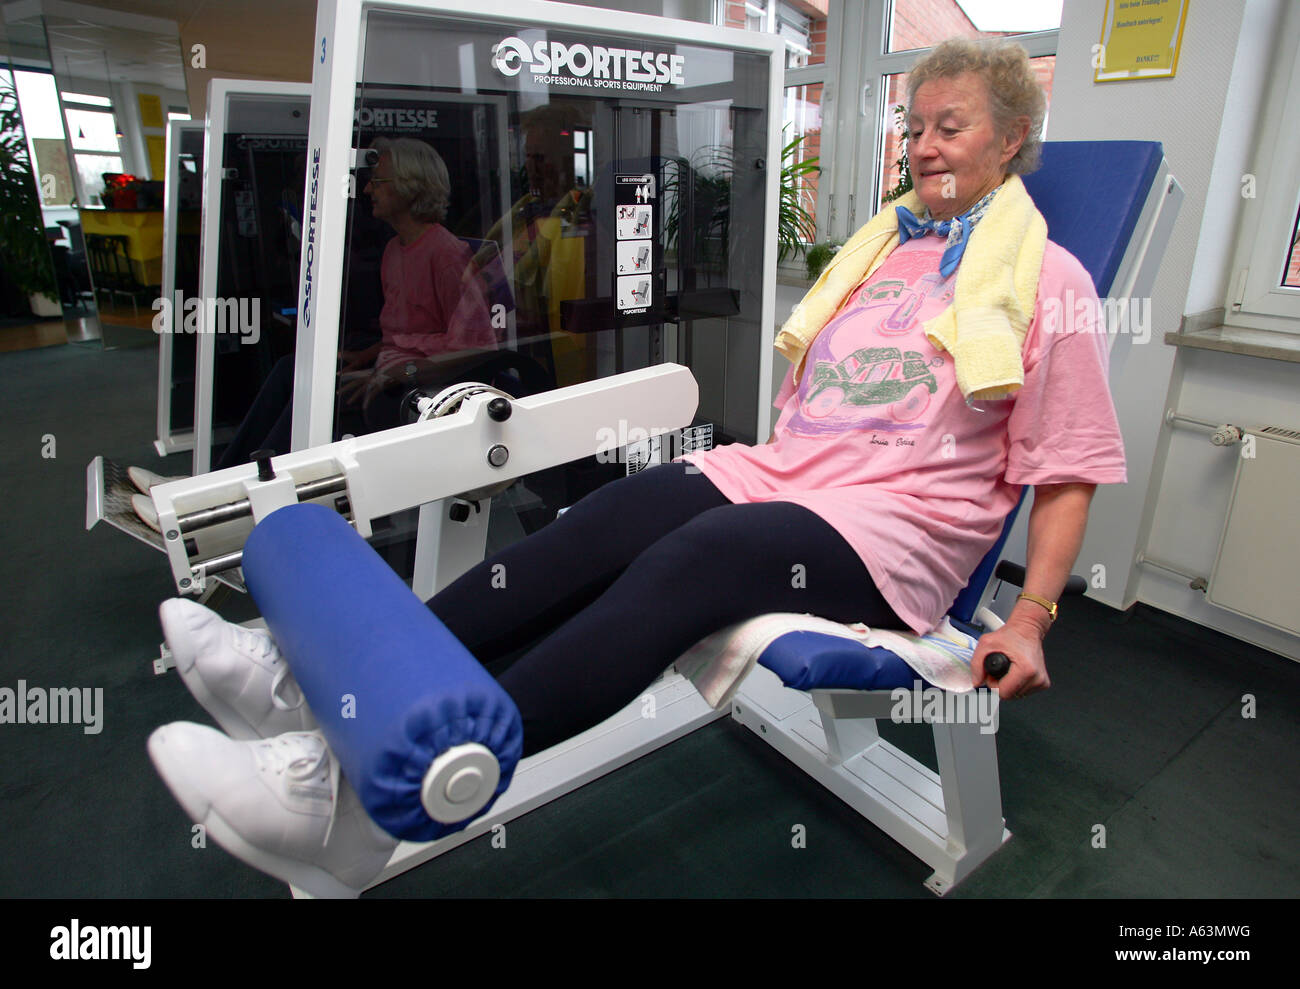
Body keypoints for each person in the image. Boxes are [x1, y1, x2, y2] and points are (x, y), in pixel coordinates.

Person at [147, 38, 1127, 895]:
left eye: (947, 128)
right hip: (788, 475)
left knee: (697, 557)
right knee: (600, 526)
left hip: (899, 532)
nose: (920, 147)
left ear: (1009, 140)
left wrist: (1032, 617)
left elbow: (1066, 466)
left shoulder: (1050, 280)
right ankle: (311, 681)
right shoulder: (883, 255)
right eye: (912, 127)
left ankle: (354, 797)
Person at [129, 138, 496, 528]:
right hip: (390, 370)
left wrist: (396, 371)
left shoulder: (446, 256)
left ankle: (215, 509)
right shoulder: (395, 250)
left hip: (419, 388)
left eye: (378, 181)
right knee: (294, 368)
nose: (368, 188)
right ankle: (207, 486)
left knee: (321, 397)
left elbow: (476, 347)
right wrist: (371, 354)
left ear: (409, 186)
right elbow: (413, 328)